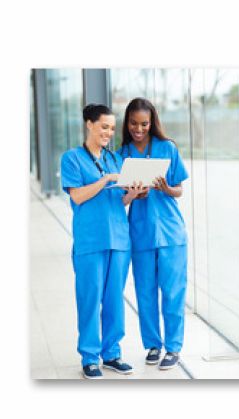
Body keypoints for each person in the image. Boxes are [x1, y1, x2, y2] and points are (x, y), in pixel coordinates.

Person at [61, 104, 142, 379]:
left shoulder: (115, 159)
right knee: (89, 298)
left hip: (119, 240)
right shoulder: (71, 159)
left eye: (111, 127)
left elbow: (119, 201)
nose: (109, 132)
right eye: (104, 126)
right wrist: (106, 178)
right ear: (89, 124)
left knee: (114, 299)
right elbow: (78, 196)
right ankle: (89, 357)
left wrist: (133, 193)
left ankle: (111, 353)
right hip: (90, 241)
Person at [118, 97, 188, 370]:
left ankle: (173, 348)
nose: (139, 128)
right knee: (146, 293)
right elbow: (120, 195)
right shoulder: (122, 153)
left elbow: (179, 188)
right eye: (134, 123)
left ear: (152, 122)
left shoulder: (167, 148)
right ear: (127, 123)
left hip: (171, 234)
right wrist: (134, 194)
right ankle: (153, 345)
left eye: (144, 123)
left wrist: (165, 189)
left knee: (173, 292)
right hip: (141, 233)